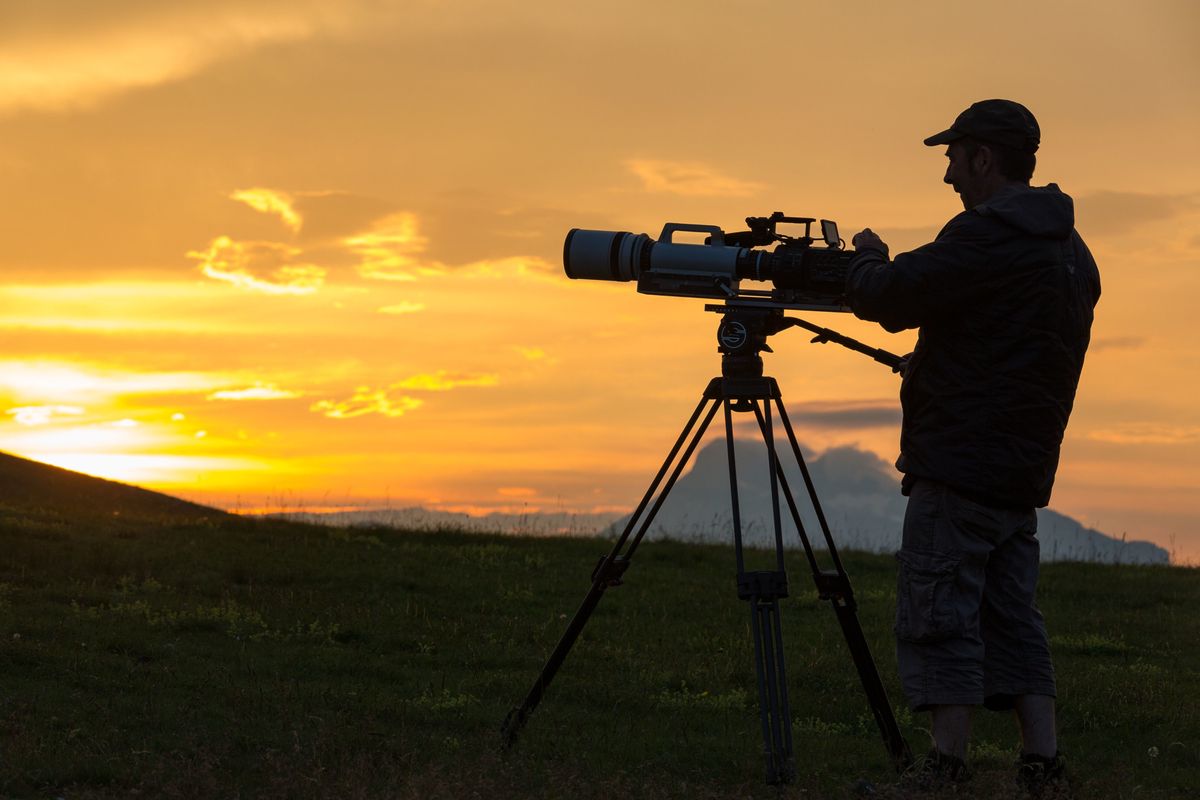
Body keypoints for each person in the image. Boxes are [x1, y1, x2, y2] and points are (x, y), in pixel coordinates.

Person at [844, 99, 1100, 793]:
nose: (949, 176)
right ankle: (1042, 765)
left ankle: (944, 768)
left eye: (954, 158)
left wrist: (866, 257)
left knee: (938, 610)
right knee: (1013, 617)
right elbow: (1012, 347)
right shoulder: (1072, 253)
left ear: (983, 157)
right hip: (1021, 469)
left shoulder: (986, 236)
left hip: (958, 465)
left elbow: (892, 297)